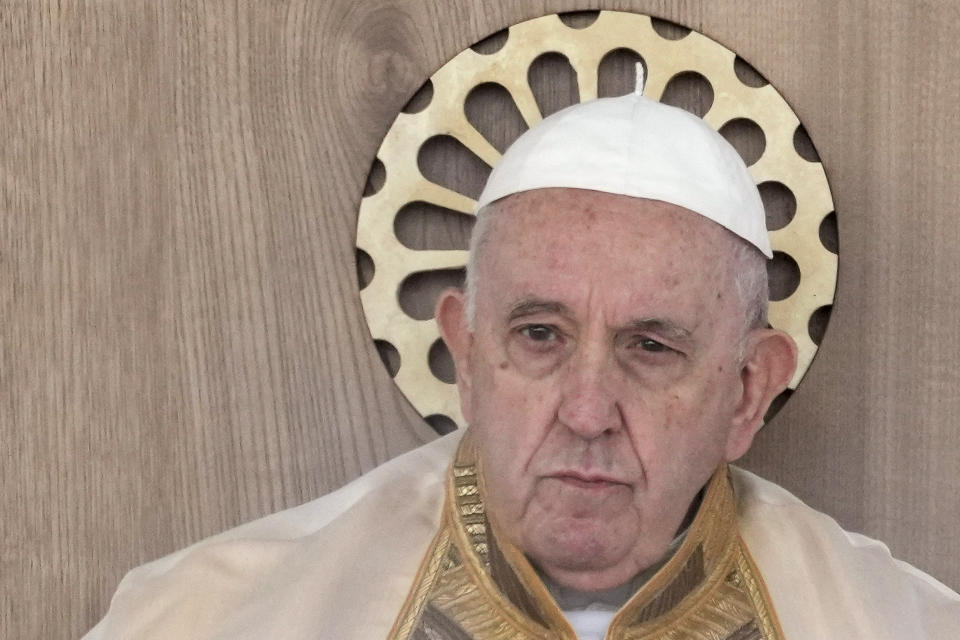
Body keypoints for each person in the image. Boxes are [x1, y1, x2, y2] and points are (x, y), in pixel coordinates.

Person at [84, 74, 960, 640]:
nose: (586, 413)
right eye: (539, 336)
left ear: (745, 392)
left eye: (651, 348)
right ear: (465, 355)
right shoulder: (206, 617)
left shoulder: (899, 625)